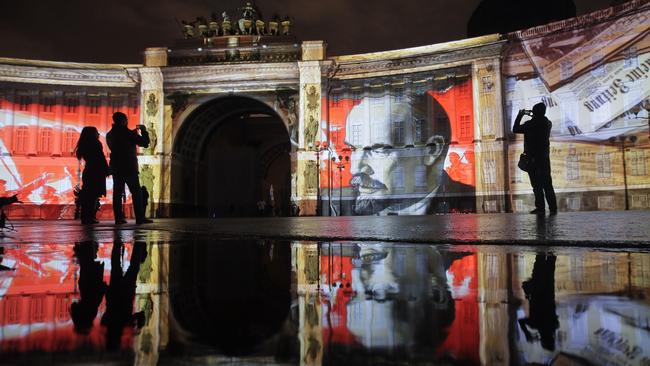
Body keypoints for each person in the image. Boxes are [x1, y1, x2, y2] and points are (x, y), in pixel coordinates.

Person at [347, 93, 475, 215]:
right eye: (352, 148)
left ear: (432, 150)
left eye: (378, 150)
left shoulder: (466, 201)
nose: (355, 169)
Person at [106, 112, 153, 224]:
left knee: (117, 193)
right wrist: (144, 131)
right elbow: (144, 143)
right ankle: (140, 218)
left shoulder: (110, 134)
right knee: (136, 193)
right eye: (126, 120)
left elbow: (119, 145)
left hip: (116, 167)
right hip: (129, 167)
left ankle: (118, 218)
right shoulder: (126, 133)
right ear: (123, 120)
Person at [513, 103, 557, 215]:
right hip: (544, 158)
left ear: (534, 112)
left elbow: (515, 128)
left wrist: (520, 115)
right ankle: (553, 207)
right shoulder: (548, 123)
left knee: (537, 185)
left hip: (533, 159)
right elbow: (540, 120)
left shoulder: (529, 125)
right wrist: (535, 115)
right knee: (547, 184)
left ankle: (540, 208)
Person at [75, 127, 110, 224]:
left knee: (88, 194)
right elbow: (101, 157)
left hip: (89, 170)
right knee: (93, 195)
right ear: (92, 134)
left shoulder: (83, 144)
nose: (98, 134)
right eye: (96, 132)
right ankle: (90, 217)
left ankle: (85, 217)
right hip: (97, 171)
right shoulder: (96, 143)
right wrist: (106, 169)